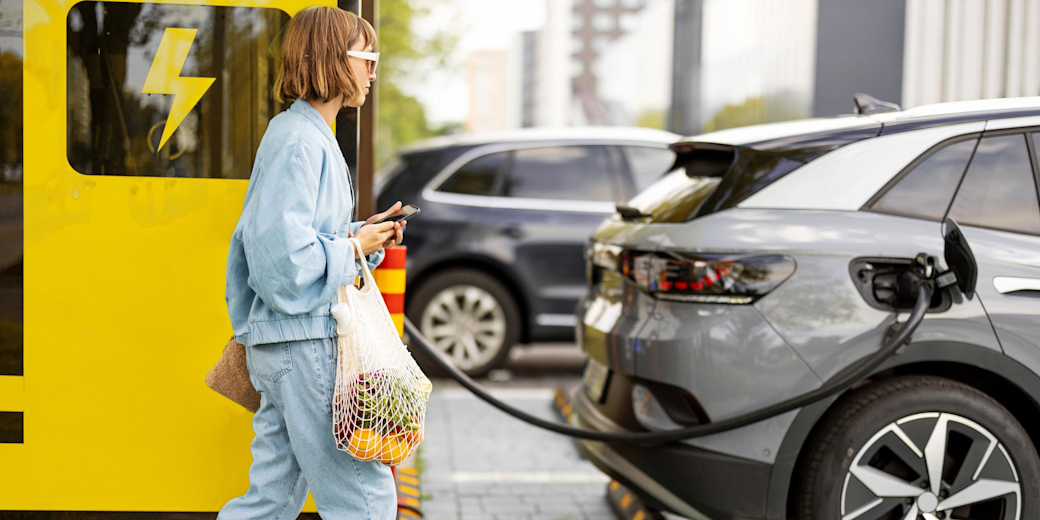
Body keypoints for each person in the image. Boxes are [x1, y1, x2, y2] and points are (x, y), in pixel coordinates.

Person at [219, 6, 403, 519]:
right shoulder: (299, 141)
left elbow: (296, 242)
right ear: (336, 61)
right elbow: (282, 263)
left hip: (286, 343)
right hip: (305, 345)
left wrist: (363, 235)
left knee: (270, 502)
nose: (373, 71)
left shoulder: (302, 135)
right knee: (365, 500)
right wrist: (353, 248)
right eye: (369, 57)